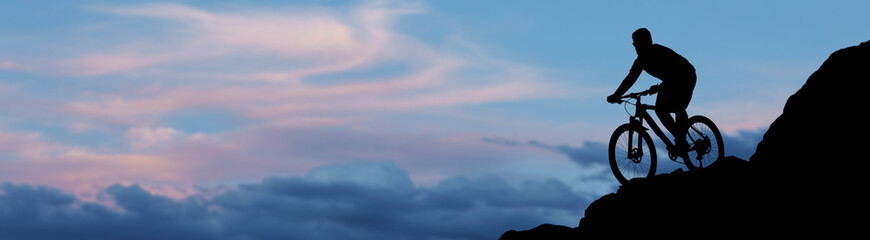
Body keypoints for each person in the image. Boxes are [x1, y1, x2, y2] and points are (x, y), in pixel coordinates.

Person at [607, 28, 697, 156]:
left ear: (649, 42)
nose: (638, 46)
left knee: (676, 107)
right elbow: (630, 79)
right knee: (661, 110)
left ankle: (681, 140)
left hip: (686, 76)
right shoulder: (640, 61)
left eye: (640, 43)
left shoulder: (658, 51)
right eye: (636, 44)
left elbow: (674, 71)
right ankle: (680, 139)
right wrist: (617, 95)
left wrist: (661, 86)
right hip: (670, 81)